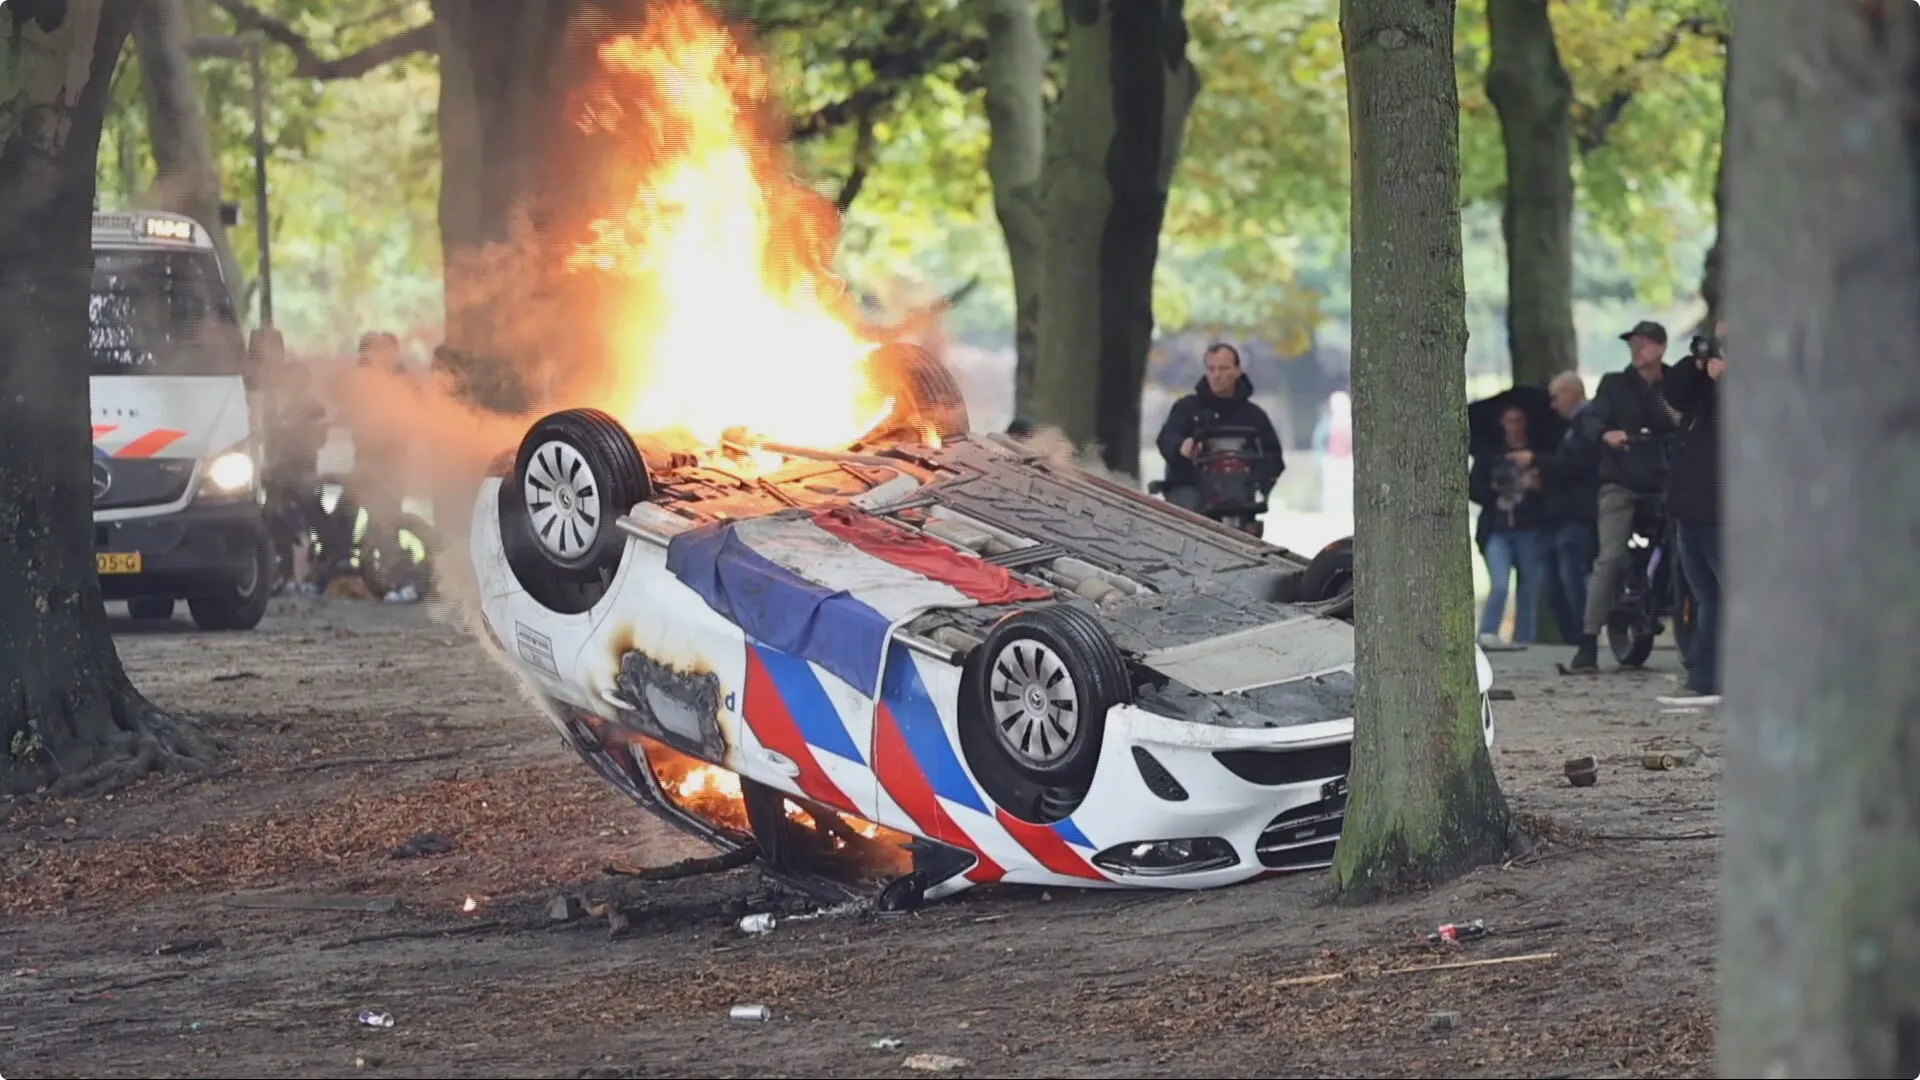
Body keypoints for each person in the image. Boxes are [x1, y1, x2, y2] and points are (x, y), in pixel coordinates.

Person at [1566, 320, 1678, 673]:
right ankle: (1587, 640)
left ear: (1661, 348)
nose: (1637, 349)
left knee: (1687, 548)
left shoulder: (1675, 383)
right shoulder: (1614, 385)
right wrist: (1605, 433)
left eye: (1644, 343)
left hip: (1666, 484)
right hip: (1622, 483)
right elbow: (1591, 418)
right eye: (1633, 343)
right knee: (1611, 556)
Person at [1655, 322, 1726, 705]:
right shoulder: (1700, 390)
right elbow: (1670, 392)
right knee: (1707, 598)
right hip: (1689, 511)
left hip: (1722, 511)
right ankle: (1705, 678)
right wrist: (1701, 361)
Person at [1508, 371, 1601, 643]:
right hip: (1557, 516)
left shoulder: (1589, 422)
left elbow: (1577, 463)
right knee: (1555, 588)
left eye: (1556, 396)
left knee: (1572, 583)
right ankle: (1575, 641)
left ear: (1573, 392)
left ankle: (1586, 641)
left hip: (1577, 516)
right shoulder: (1569, 427)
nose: (1553, 404)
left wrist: (1534, 459)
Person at [1154, 343, 1285, 514]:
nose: (1217, 375)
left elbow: (1273, 456)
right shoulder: (1186, 409)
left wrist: (1257, 478)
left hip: (1240, 492)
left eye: (1223, 368)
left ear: (1238, 371)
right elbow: (1167, 438)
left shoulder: (1254, 417)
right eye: (1211, 369)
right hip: (1190, 488)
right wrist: (1181, 447)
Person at [1470, 405, 1547, 649]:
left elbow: (1554, 486)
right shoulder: (1490, 454)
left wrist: (1535, 484)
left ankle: (1525, 639)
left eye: (1518, 420)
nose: (1513, 426)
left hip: (1529, 527)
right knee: (1500, 584)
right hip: (1497, 529)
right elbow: (1474, 489)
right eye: (1508, 421)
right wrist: (1495, 487)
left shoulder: (1538, 453)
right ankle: (1487, 635)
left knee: (1529, 587)